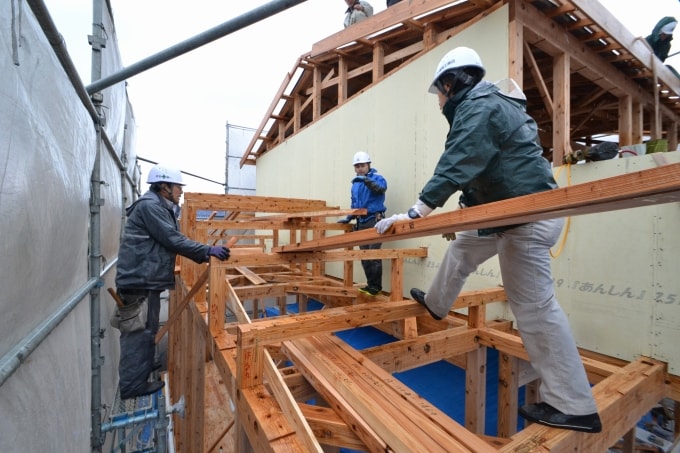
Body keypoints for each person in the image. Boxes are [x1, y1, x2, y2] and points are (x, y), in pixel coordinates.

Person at [375, 47, 602, 433]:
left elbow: (459, 160)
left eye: (440, 93)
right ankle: (437, 303)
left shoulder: (478, 106)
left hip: (524, 220)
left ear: (451, 82)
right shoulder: (489, 104)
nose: (439, 103)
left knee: (534, 309)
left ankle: (574, 404)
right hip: (504, 215)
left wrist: (414, 213)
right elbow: (487, 172)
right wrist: (462, 214)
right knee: (463, 246)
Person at [114, 164, 230, 399]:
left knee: (147, 330)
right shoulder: (150, 207)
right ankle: (133, 385)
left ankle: (143, 369)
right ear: (164, 187)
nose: (181, 192)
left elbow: (171, 238)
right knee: (138, 334)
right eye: (178, 187)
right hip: (139, 281)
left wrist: (204, 250)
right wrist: (207, 250)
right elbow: (172, 239)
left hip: (146, 279)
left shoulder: (158, 206)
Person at [338, 151, 387, 296]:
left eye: (362, 165)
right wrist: (349, 217)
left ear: (368, 165)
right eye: (357, 166)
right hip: (361, 222)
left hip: (375, 220)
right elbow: (355, 204)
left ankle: (376, 286)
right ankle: (370, 284)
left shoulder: (378, 178)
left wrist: (366, 180)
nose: (360, 168)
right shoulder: (355, 185)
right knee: (365, 256)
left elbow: (381, 189)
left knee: (373, 254)